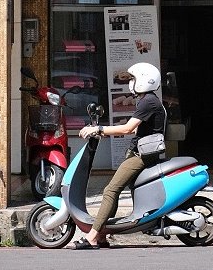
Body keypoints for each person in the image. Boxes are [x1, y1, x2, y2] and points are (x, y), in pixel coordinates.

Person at [70, 61, 166, 249]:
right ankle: (102, 235)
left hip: (141, 156)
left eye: (133, 79)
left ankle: (92, 236)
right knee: (115, 190)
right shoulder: (148, 100)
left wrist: (99, 129)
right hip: (140, 152)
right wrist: (102, 131)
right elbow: (133, 129)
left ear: (144, 81)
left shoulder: (148, 101)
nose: (131, 82)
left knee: (110, 190)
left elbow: (128, 128)